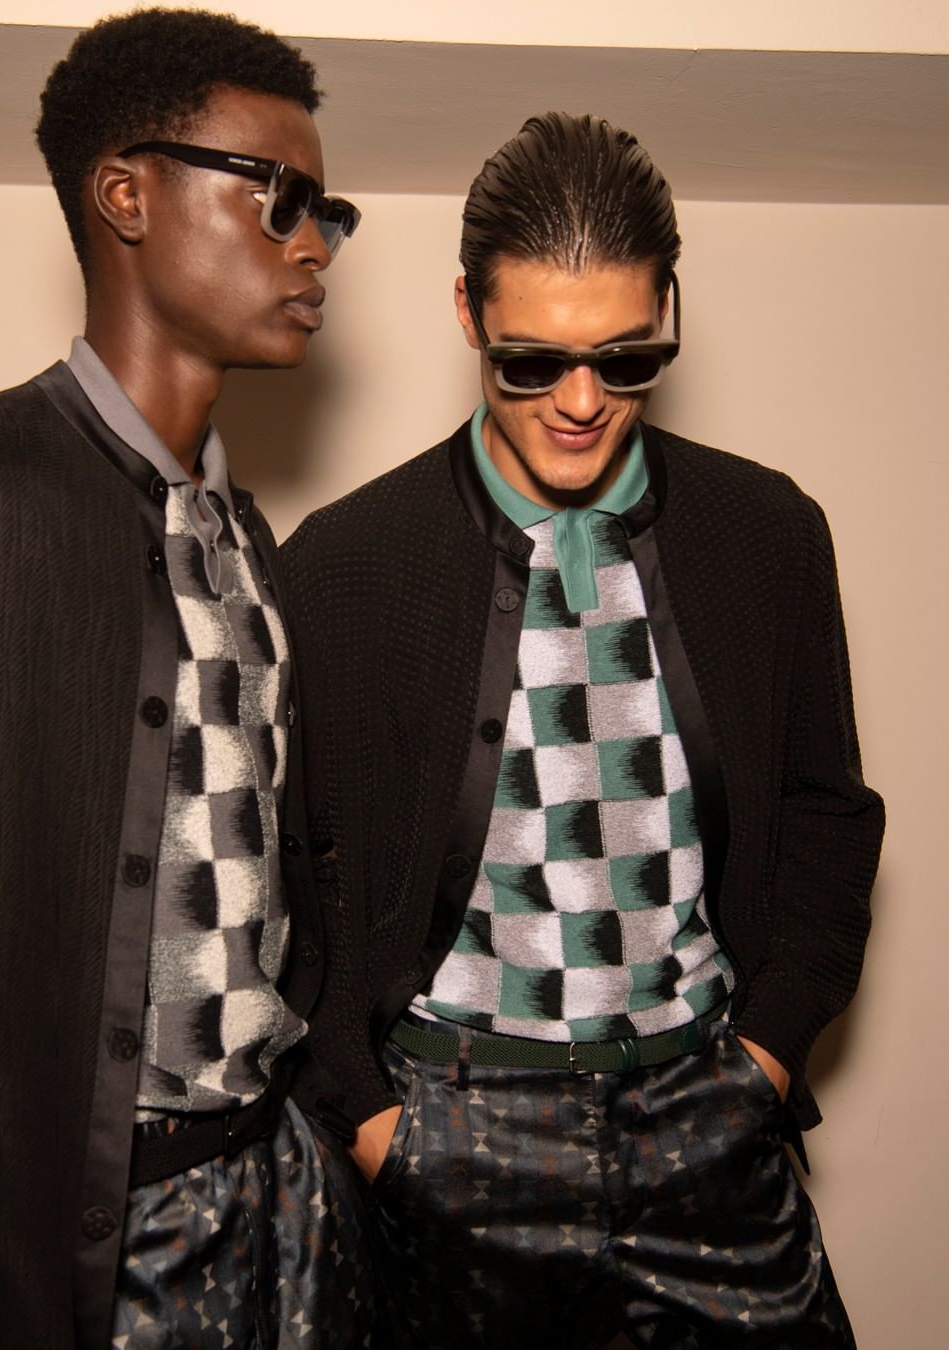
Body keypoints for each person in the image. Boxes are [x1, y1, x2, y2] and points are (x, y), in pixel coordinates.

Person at [280, 112, 885, 1347]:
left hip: (709, 1113)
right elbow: (300, 879)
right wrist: (375, 1124)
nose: (578, 401)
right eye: (531, 362)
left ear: (671, 308)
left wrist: (767, 1057)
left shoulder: (769, 534)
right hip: (449, 1132)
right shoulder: (345, 563)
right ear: (466, 312)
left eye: (625, 357)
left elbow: (828, 814)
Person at [0, 8, 372, 1348]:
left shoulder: (251, 543)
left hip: (275, 1211)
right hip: (34, 1241)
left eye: (328, 213)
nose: (315, 245)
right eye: (278, 197)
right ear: (126, 195)